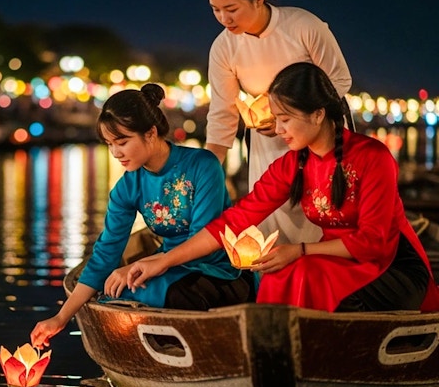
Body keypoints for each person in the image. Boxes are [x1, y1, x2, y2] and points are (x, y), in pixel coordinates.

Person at [122, 63, 439, 314]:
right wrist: (165, 260)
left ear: (317, 114)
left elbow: (374, 242)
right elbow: (233, 222)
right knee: (277, 274)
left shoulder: (373, 157)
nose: (278, 129)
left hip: (390, 268)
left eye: (285, 119)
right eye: (276, 118)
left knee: (303, 271)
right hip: (335, 262)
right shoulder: (293, 164)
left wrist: (300, 250)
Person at [30, 84, 254, 349]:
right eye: (110, 144)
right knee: (113, 295)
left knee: (170, 293)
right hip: (166, 269)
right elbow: (105, 255)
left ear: (150, 133)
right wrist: (61, 317)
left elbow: (204, 238)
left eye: (123, 142)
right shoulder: (127, 187)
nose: (115, 153)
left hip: (215, 270)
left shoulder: (203, 166)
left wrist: (146, 264)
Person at [204, 0, 352, 244]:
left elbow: (339, 79)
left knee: (328, 211)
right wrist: (204, 171)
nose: (223, 19)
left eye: (231, 9)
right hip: (267, 143)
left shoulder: (303, 26)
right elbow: (223, 113)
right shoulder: (223, 47)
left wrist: (289, 114)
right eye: (215, 10)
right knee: (272, 223)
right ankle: (276, 286)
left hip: (321, 137)